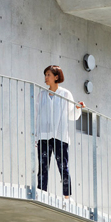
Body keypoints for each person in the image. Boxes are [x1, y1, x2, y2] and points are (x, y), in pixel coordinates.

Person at [35, 65, 84, 196]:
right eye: (45, 75)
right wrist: (36, 136)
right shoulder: (41, 95)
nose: (46, 78)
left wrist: (78, 108)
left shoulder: (65, 94)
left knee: (63, 167)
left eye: (48, 75)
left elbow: (72, 115)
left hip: (60, 136)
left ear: (56, 77)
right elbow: (37, 116)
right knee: (42, 167)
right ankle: (41, 194)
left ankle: (67, 196)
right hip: (44, 135)